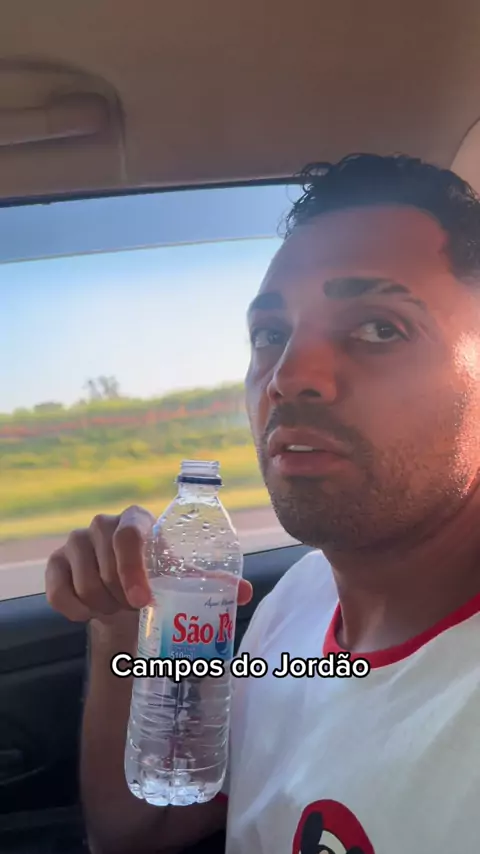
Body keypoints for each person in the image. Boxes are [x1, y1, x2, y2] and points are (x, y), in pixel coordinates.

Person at [46, 153, 480, 854]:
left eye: (380, 327)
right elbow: (139, 833)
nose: (289, 375)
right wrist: (126, 624)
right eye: (271, 334)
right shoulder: (297, 602)